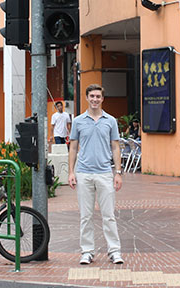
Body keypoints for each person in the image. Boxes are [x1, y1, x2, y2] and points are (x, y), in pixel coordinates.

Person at [68, 84, 124, 265]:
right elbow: (73, 147)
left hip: (105, 173)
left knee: (109, 215)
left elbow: (115, 147)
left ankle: (114, 251)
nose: (94, 99)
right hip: (83, 174)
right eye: (92, 96)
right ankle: (87, 251)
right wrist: (71, 172)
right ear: (86, 98)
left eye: (98, 96)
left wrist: (118, 172)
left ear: (102, 99)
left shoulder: (110, 121)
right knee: (86, 216)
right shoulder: (78, 121)